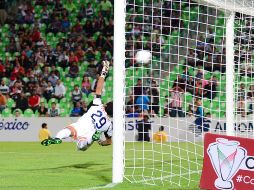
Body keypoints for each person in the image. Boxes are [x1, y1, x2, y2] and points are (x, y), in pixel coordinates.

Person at [41, 61, 112, 151]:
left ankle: (57, 138)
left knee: (69, 130)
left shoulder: (98, 104)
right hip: (90, 132)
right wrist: (101, 142)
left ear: (105, 106)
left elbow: (99, 87)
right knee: (82, 146)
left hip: (80, 125)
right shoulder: (109, 124)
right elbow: (109, 142)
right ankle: (92, 138)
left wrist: (104, 71)